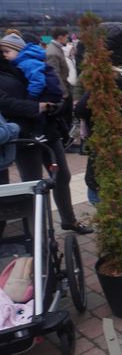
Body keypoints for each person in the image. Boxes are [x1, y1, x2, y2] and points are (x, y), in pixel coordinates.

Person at [0, 50, 92, 234]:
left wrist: (53, 105)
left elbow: (45, 90)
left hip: (47, 131)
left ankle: (69, 220)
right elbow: (5, 103)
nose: (7, 53)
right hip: (24, 137)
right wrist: (37, 107)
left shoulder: (18, 67)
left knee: (62, 176)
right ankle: (38, 232)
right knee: (34, 185)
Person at [75, 22, 122, 204]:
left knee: (97, 190)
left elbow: (80, 109)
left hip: (105, 137)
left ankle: (116, 225)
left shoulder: (108, 77)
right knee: (118, 181)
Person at [46, 28, 73, 140]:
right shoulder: (53, 52)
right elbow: (55, 74)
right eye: (66, 37)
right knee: (63, 117)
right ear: (60, 37)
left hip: (63, 87)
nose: (67, 39)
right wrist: (63, 92)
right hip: (61, 90)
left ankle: (65, 139)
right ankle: (64, 141)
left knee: (65, 117)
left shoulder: (57, 49)